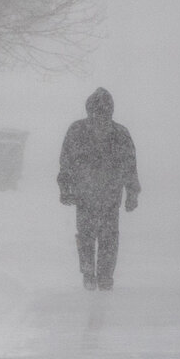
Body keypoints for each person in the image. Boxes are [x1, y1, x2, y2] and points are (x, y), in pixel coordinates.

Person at [56, 88, 139, 290]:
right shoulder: (118, 133)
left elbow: (66, 163)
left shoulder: (79, 130)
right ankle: (100, 275)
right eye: (97, 112)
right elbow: (130, 166)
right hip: (100, 195)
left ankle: (94, 275)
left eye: (103, 112)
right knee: (105, 237)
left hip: (92, 194)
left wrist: (65, 188)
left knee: (91, 236)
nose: (100, 117)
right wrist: (132, 192)